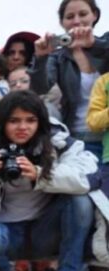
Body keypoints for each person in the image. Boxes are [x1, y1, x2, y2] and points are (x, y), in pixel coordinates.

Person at [0, 90, 96, 271]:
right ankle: (1, 270)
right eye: (14, 121)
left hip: (46, 231)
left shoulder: (59, 144)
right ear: (2, 123)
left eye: (30, 120)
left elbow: (87, 178)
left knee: (81, 200)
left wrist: (41, 175)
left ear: (40, 122)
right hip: (5, 235)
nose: (23, 127)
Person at [31, 0, 109, 157]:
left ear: (94, 15)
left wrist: (93, 44)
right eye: (70, 16)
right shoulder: (57, 57)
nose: (76, 21)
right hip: (79, 138)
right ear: (62, 22)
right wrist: (40, 58)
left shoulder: (105, 43)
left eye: (83, 14)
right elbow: (40, 88)